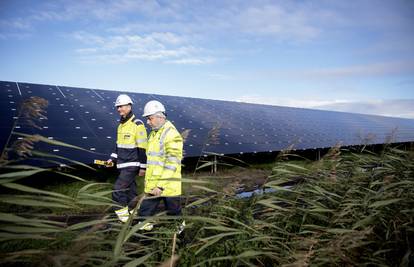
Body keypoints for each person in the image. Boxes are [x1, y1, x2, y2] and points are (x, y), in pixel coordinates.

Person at [138, 100, 184, 231]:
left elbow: (172, 162)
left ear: (160, 117)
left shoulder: (172, 134)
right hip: (153, 186)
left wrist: (161, 185)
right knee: (144, 215)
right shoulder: (153, 133)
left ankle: (179, 241)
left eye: (149, 118)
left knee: (174, 216)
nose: (147, 122)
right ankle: (145, 241)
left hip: (168, 187)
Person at [108, 94, 148, 223]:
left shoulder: (137, 124)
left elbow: (142, 148)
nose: (119, 109)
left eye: (122, 106)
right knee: (131, 192)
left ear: (129, 106)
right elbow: (118, 145)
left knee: (118, 190)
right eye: (118, 107)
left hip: (132, 165)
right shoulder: (121, 125)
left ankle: (124, 219)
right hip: (122, 164)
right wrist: (112, 159)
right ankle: (135, 214)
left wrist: (143, 167)